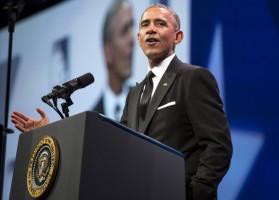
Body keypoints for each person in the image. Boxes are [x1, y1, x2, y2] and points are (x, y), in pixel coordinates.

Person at [11, 4, 232, 200]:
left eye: (160, 24)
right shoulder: (134, 94)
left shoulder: (193, 78)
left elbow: (218, 145)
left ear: (178, 36)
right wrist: (51, 133)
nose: (151, 29)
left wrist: (196, 192)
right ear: (139, 38)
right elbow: (118, 151)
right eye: (145, 25)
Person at [92, 0, 134, 121]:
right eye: (125, 31)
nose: (132, 40)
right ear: (108, 52)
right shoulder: (91, 120)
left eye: (132, 28)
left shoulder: (147, 104)